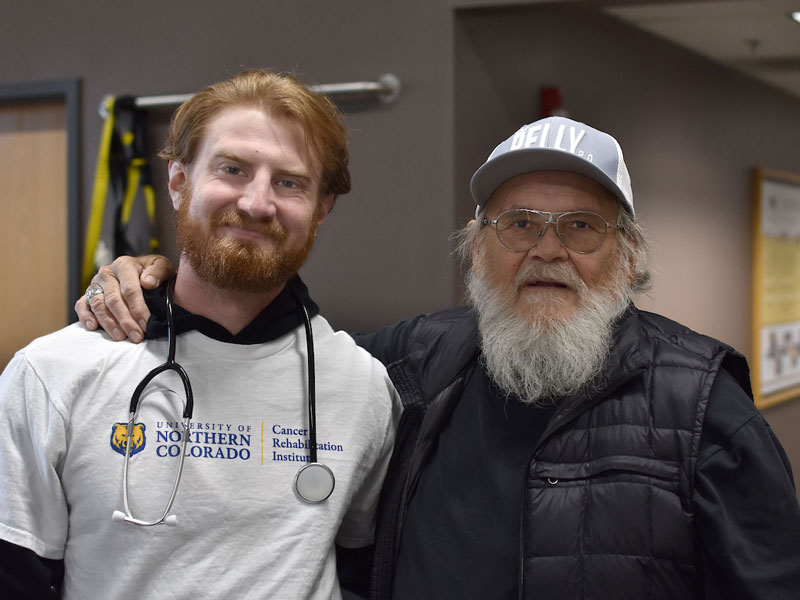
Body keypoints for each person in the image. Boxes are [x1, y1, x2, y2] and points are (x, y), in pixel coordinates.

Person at [76, 116, 800, 599]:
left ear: (628, 252)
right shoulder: (413, 362)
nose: (547, 249)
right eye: (519, 224)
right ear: (477, 244)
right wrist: (160, 278)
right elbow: (260, 347)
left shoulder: (703, 404)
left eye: (581, 227)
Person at [0, 69, 401, 600]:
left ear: (322, 208)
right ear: (178, 181)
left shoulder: (363, 386)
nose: (258, 203)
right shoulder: (54, 373)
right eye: (232, 169)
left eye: (290, 181)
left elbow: (362, 570)